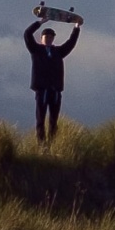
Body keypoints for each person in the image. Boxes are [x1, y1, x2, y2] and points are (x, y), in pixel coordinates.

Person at [23, 11, 82, 142]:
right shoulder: (36, 50)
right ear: (42, 38)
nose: (49, 38)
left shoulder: (58, 52)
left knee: (54, 121)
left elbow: (71, 43)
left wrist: (76, 28)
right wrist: (40, 22)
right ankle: (41, 145)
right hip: (42, 90)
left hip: (55, 90)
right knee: (40, 119)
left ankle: (53, 144)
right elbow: (27, 34)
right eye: (46, 36)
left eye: (51, 37)